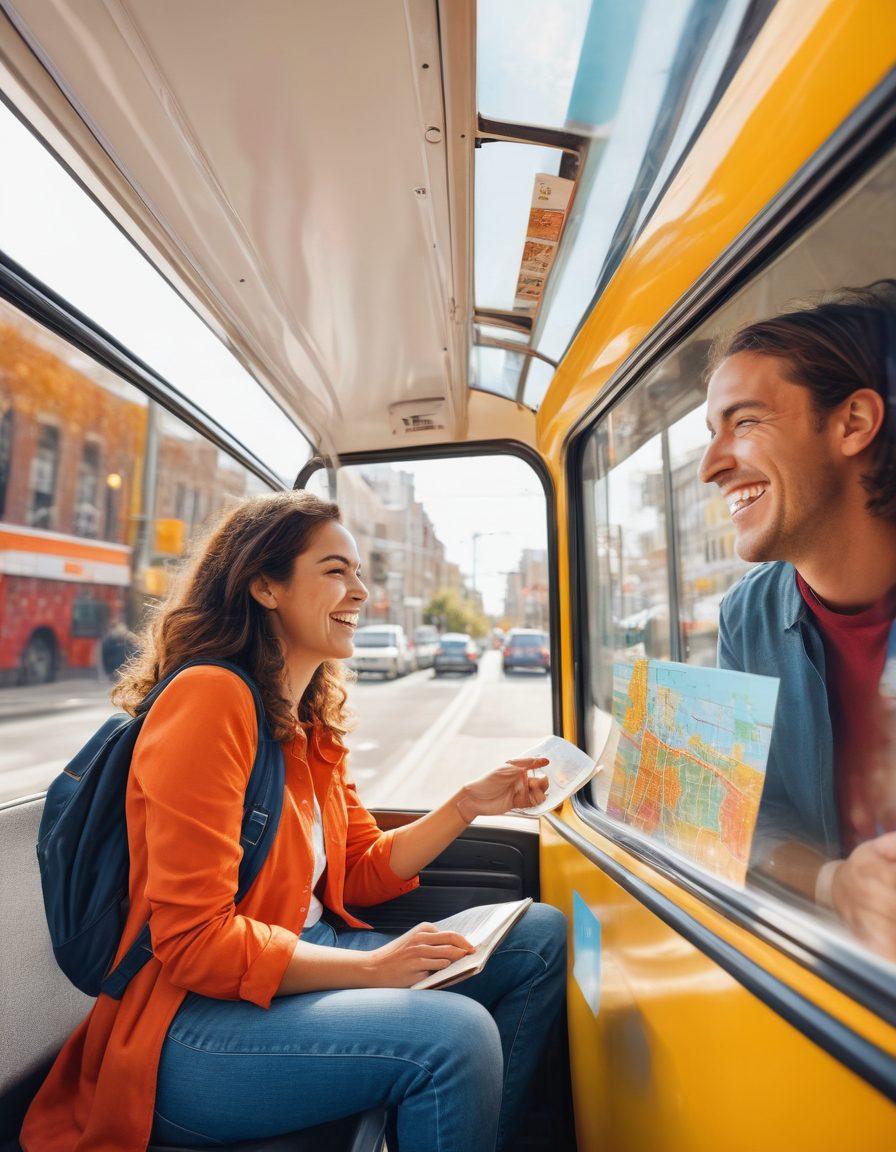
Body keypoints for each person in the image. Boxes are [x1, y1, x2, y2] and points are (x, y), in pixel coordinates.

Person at [22, 491, 566, 1152]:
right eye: (336, 571)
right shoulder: (209, 698)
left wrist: (467, 806)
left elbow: (360, 873)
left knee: (539, 935)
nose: (360, 592)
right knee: (455, 1038)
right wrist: (374, 971)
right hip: (190, 1024)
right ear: (265, 585)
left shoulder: (308, 718)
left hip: (299, 969)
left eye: (360, 574)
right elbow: (193, 942)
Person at [699, 280, 896, 960]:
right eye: (711, 432)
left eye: (744, 422)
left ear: (853, 424)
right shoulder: (747, 616)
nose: (711, 466)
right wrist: (836, 883)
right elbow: (750, 809)